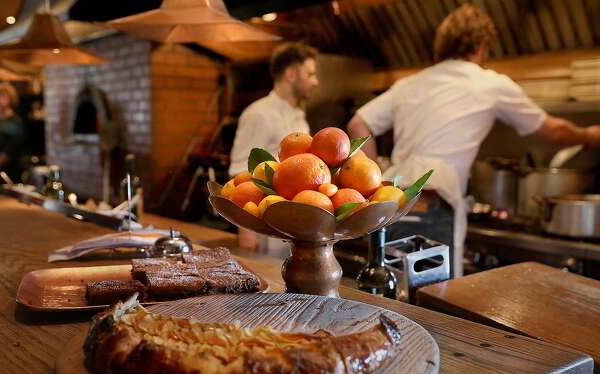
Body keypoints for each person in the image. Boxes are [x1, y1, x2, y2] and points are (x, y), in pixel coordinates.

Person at [347, 4, 600, 276]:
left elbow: (358, 122)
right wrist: (589, 135)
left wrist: (373, 185)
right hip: (434, 205)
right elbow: (554, 131)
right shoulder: (489, 83)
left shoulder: (410, 83)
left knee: (390, 296)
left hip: (394, 205)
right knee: (432, 306)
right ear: (481, 47)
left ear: (439, 49)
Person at [228, 42, 319, 176]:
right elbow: (238, 172)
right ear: (291, 74)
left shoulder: (298, 115)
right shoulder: (259, 114)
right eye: (310, 74)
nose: (315, 82)